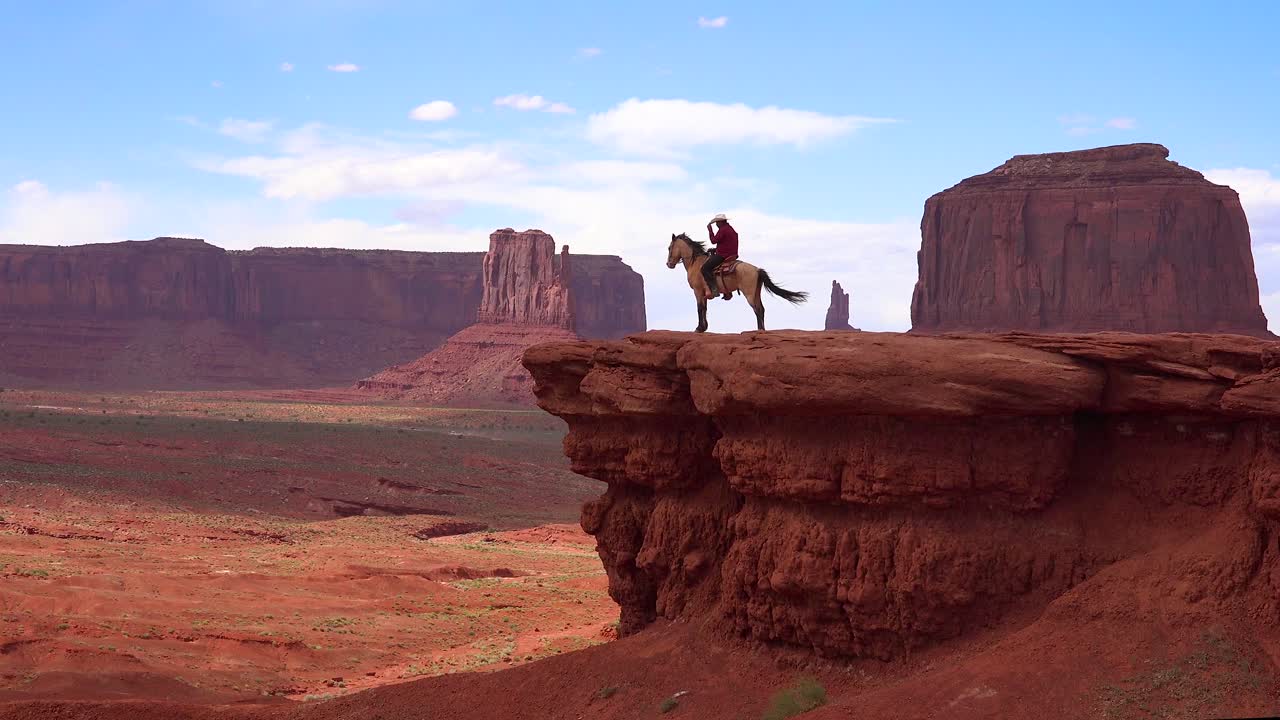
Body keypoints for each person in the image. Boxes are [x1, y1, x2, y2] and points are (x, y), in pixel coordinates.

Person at [702, 213, 738, 300]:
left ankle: (714, 290)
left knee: (705, 268)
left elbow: (713, 240)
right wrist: (715, 249)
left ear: (721, 222)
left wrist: (710, 231)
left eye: (717, 223)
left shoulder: (723, 230)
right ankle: (727, 291)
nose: (716, 225)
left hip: (723, 255)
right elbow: (725, 243)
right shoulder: (730, 229)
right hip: (732, 254)